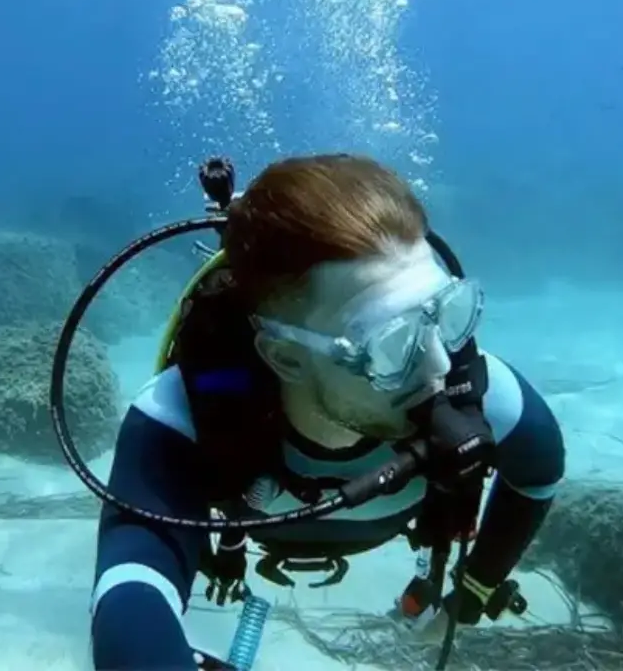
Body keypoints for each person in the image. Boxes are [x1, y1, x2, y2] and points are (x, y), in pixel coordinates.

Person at [90, 154, 566, 669]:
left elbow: (539, 475)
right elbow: (129, 592)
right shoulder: (181, 416)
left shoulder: (479, 388)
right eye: (392, 341)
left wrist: (475, 589)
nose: (439, 362)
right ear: (286, 356)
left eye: (447, 312)